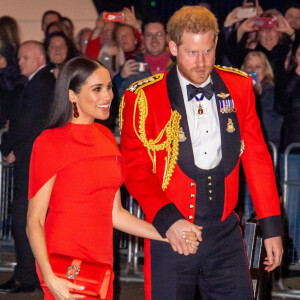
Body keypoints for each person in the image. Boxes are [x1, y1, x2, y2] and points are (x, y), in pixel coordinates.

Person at [120, 6, 283, 300]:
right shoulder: (142, 97)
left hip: (225, 235)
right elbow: (135, 169)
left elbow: (257, 158)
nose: (201, 62)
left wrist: (272, 227)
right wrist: (168, 220)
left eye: (207, 51)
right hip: (169, 234)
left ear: (216, 43)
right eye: (191, 52)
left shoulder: (239, 85)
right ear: (172, 47)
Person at [26, 56, 201, 300]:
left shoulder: (106, 137)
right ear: (72, 95)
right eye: (96, 89)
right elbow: (34, 221)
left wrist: (169, 232)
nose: (107, 96)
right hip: (65, 262)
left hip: (102, 262)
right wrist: (49, 277)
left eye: (108, 87)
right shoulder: (49, 142)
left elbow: (115, 215)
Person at [0, 40, 56, 293]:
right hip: (32, 160)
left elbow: (25, 124)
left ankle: (27, 275)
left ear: (40, 58)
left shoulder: (41, 84)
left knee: (25, 219)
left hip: (33, 163)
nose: (19, 62)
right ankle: (28, 273)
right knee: (27, 219)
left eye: (24, 58)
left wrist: (7, 146)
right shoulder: (39, 83)